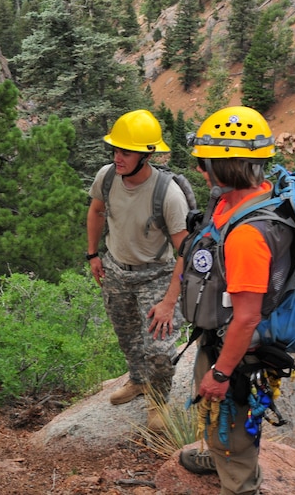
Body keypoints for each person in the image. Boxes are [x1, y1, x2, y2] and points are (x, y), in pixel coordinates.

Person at [179, 106, 294, 495]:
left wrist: (222, 373)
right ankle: (218, 453)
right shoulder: (242, 202)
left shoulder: (247, 234)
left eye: (204, 162)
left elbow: (246, 317)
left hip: (239, 350)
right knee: (219, 416)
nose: (200, 169)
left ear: (224, 166)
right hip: (223, 338)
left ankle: (238, 481)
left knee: (231, 418)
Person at [86, 109, 191, 432]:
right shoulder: (106, 177)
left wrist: (170, 301)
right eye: (115, 150)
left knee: (159, 348)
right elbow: (96, 211)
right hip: (117, 270)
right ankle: (137, 380)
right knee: (127, 334)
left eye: (126, 152)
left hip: (156, 275)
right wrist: (93, 254)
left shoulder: (168, 194)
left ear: (146, 154)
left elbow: (185, 251)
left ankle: (159, 401)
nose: (118, 157)